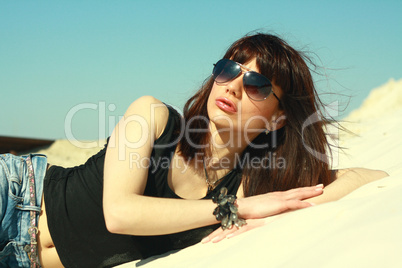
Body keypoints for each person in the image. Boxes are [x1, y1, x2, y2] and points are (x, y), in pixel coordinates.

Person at [0, 33, 388, 268]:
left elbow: (373, 178)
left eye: (257, 84)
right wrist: (235, 210)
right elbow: (119, 213)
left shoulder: (240, 188)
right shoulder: (151, 117)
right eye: (229, 69)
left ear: (278, 119)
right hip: (16, 196)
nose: (234, 86)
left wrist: (249, 203)